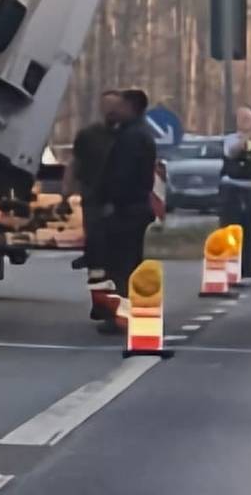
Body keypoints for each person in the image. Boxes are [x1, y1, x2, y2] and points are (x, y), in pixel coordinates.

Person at [94, 88, 161, 335]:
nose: (115, 110)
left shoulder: (132, 136)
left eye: (120, 106)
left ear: (132, 108)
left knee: (121, 266)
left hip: (126, 209)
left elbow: (123, 175)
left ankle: (122, 315)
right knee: (127, 263)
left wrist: (110, 201)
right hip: (134, 208)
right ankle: (127, 312)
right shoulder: (136, 133)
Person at [72, 90, 126, 320]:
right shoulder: (88, 135)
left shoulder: (130, 136)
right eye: (107, 105)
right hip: (93, 202)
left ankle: (119, 302)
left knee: (119, 257)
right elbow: (75, 163)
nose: (111, 110)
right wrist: (68, 192)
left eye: (115, 105)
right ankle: (99, 304)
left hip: (121, 204)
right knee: (96, 259)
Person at [221, 107, 251, 279]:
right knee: (231, 230)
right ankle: (229, 268)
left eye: (248, 119)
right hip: (233, 191)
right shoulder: (231, 139)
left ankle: (247, 266)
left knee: (249, 230)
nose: (245, 122)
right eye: (241, 118)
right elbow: (234, 150)